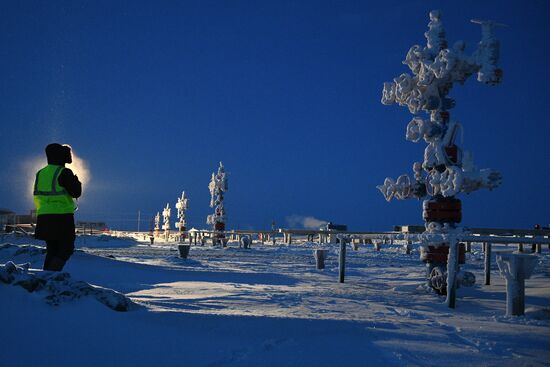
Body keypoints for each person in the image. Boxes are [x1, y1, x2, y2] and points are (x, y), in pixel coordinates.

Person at [33, 143, 82, 271]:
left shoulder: (41, 173)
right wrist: (76, 182)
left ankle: (46, 278)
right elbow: (76, 192)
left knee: (52, 249)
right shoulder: (64, 172)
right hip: (62, 216)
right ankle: (51, 275)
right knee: (66, 248)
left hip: (44, 217)